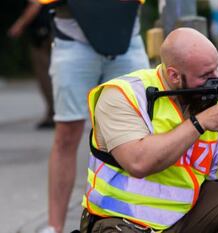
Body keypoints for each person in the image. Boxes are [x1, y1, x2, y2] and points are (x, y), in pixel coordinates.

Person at [79, 27, 218, 233]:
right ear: (174, 75)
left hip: (185, 214)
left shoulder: (217, 99)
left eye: (216, 69)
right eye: (205, 75)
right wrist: (199, 123)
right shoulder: (124, 94)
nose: (216, 79)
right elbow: (138, 163)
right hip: (122, 220)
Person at [38, 0, 150, 232]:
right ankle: (54, 227)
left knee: (140, 128)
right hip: (73, 38)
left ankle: (137, 220)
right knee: (67, 133)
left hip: (127, 35)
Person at [8, 0, 54, 129]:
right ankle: (55, 112)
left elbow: (35, 5)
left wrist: (19, 25)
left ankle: (53, 113)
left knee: (44, 72)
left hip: (43, 33)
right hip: (55, 30)